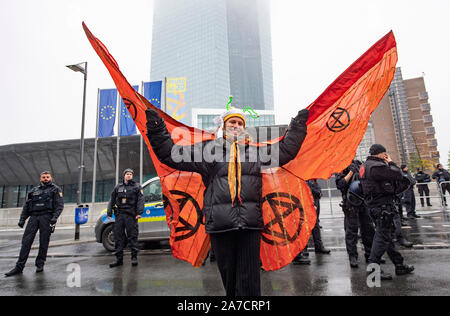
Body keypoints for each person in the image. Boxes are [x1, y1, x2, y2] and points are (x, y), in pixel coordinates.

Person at [145, 107, 309, 296]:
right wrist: (157, 127)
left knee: (250, 282)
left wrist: (297, 125)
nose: (236, 126)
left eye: (240, 123)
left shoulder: (255, 152)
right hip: (221, 225)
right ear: (223, 126)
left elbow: (287, 150)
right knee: (230, 282)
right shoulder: (208, 150)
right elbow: (170, 154)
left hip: (250, 225)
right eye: (232, 122)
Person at [360, 144, 414, 280]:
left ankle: (399, 265)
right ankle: (373, 271)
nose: (386, 156)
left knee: (387, 237)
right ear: (381, 154)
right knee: (382, 237)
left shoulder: (365, 165)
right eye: (385, 154)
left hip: (376, 206)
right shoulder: (376, 166)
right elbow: (397, 174)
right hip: (382, 206)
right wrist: (390, 161)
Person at [5, 171, 64, 277]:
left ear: (51, 178)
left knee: (43, 242)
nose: (45, 178)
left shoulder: (55, 190)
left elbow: (59, 205)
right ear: (40, 179)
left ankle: (40, 265)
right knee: (26, 242)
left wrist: (54, 218)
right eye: (43, 177)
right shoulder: (33, 190)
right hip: (33, 218)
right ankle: (19, 267)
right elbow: (26, 207)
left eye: (47, 177)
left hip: (46, 217)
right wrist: (22, 220)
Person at [335, 159, 375, 268]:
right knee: (352, 231)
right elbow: (340, 184)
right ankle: (353, 256)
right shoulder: (341, 166)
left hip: (363, 201)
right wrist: (350, 172)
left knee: (368, 229)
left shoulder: (359, 164)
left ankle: (370, 254)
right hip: (350, 203)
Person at [107, 168, 144, 268]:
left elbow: (141, 200)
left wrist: (139, 212)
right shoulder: (118, 187)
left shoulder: (137, 187)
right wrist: (109, 211)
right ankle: (119, 259)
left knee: (132, 236)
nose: (129, 176)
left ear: (132, 176)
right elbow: (112, 199)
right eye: (127, 174)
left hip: (131, 215)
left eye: (130, 174)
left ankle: (134, 258)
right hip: (120, 215)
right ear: (124, 176)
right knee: (118, 237)